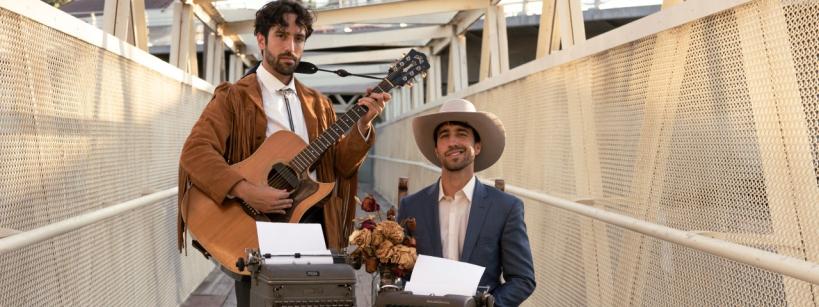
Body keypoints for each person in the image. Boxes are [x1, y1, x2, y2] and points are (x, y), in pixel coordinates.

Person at [176, 1, 390, 305]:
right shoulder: (235, 98)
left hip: (313, 222)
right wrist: (246, 190)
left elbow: (341, 166)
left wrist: (362, 125)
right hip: (256, 227)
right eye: (281, 35)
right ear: (261, 40)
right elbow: (195, 152)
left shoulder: (319, 104)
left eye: (299, 38)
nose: (291, 46)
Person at [397, 98, 535, 306]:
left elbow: (523, 279)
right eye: (445, 136)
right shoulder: (411, 206)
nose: (453, 142)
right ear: (436, 150)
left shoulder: (506, 208)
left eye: (461, 134)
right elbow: (399, 273)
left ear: (477, 147)